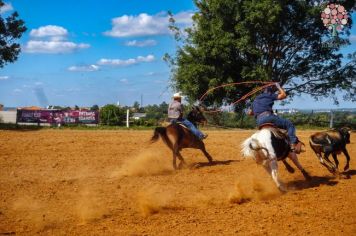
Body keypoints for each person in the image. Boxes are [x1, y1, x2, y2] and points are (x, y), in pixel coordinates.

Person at [248, 83, 303, 154]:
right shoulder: (269, 95)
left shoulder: (256, 99)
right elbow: (283, 95)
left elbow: (250, 113)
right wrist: (278, 86)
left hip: (259, 121)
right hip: (268, 117)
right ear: (270, 91)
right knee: (289, 124)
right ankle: (292, 143)